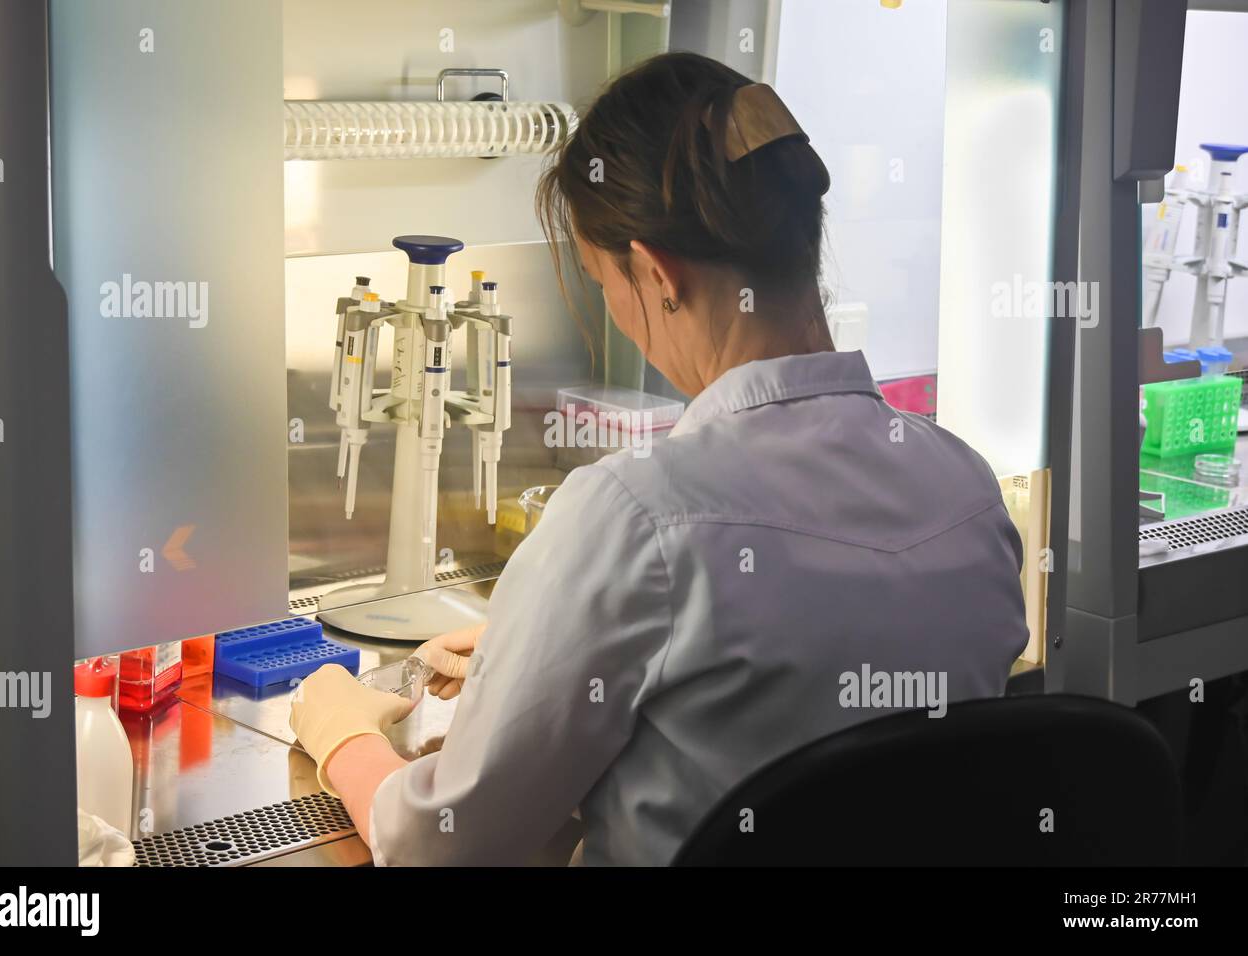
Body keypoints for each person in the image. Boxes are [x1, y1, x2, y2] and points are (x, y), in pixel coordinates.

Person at [290, 51, 1028, 866]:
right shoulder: (966, 485)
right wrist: (543, 641)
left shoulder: (636, 516)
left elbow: (443, 846)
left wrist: (343, 735)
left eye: (605, 282)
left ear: (657, 273)